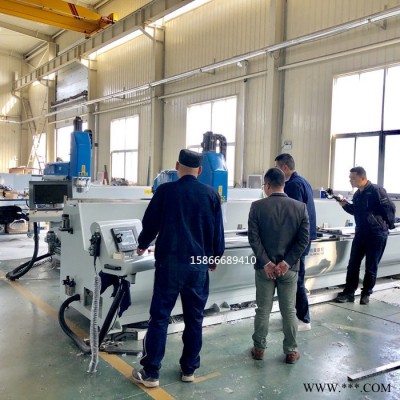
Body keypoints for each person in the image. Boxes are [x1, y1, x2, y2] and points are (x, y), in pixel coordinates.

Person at [131, 149, 225, 388]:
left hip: (170, 264)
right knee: (194, 318)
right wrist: (214, 257)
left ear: (177, 166)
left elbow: (150, 222)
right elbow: (217, 231)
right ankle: (189, 369)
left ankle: (151, 372)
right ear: (200, 170)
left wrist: (142, 244)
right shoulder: (211, 195)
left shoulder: (165, 191)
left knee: (160, 317)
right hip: (198, 265)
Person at [248, 168, 309, 364]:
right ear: (284, 184)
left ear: (267, 185)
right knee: (289, 310)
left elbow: (253, 239)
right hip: (289, 270)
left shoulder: (257, 207)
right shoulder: (300, 207)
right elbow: (304, 240)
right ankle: (291, 351)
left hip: (264, 269)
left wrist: (266, 262)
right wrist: (286, 262)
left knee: (263, 310)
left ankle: (259, 349)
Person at [334, 166, 396, 305]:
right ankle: (349, 293)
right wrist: (344, 204)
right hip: (361, 234)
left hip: (376, 234)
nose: (350, 180)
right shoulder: (357, 195)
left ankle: (366, 293)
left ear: (362, 178)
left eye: (353, 178)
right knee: (353, 264)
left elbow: (390, 209)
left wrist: (387, 226)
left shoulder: (376, 190)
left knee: (371, 266)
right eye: (350, 178)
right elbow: (355, 211)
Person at [275, 153, 316, 331]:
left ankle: (303, 319)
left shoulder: (293, 185)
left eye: (277, 168)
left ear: (285, 167)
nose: (277, 172)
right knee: (295, 279)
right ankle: (293, 315)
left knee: (296, 280)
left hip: (297, 241)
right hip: (303, 239)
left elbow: (293, 215)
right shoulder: (303, 181)